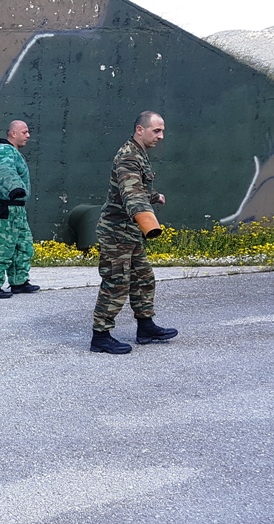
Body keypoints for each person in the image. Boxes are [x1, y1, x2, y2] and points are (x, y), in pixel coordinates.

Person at [90, 111, 178, 354]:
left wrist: (154, 196)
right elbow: (132, 195)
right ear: (140, 129)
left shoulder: (139, 155)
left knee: (143, 278)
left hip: (130, 231)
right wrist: (148, 220)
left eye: (162, 131)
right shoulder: (129, 157)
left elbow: (134, 187)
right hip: (117, 233)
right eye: (156, 130)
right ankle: (100, 336)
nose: (161, 136)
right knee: (116, 282)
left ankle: (146, 327)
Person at [0, 120, 41, 299]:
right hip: (3, 208)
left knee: (23, 246)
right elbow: (3, 171)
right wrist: (14, 188)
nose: (28, 136)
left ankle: (19, 282)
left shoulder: (12, 152)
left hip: (16, 209)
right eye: (25, 132)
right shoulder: (3, 151)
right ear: (13, 133)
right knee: (1, 247)